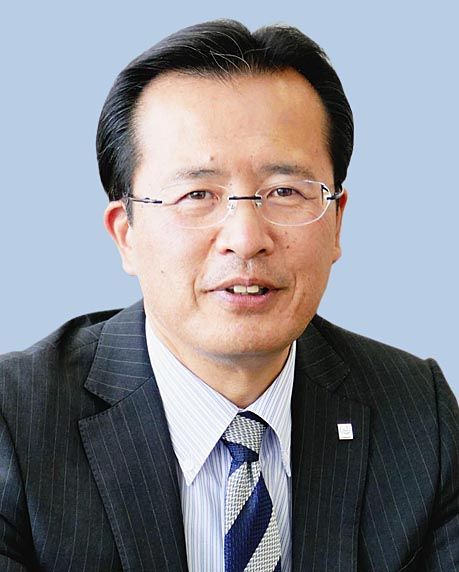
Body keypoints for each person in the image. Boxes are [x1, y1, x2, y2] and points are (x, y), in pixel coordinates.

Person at [0, 19, 458, 572]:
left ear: (336, 221)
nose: (245, 238)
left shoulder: (419, 416)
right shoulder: (15, 422)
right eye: (197, 194)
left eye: (284, 191)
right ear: (126, 235)